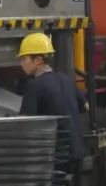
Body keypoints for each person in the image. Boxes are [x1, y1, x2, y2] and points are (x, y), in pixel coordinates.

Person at [18, 33, 88, 163]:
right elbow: (85, 107)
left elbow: (25, 124)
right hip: (77, 152)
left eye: (24, 59)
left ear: (38, 60)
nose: (21, 64)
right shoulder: (66, 79)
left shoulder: (34, 86)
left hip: (55, 158)